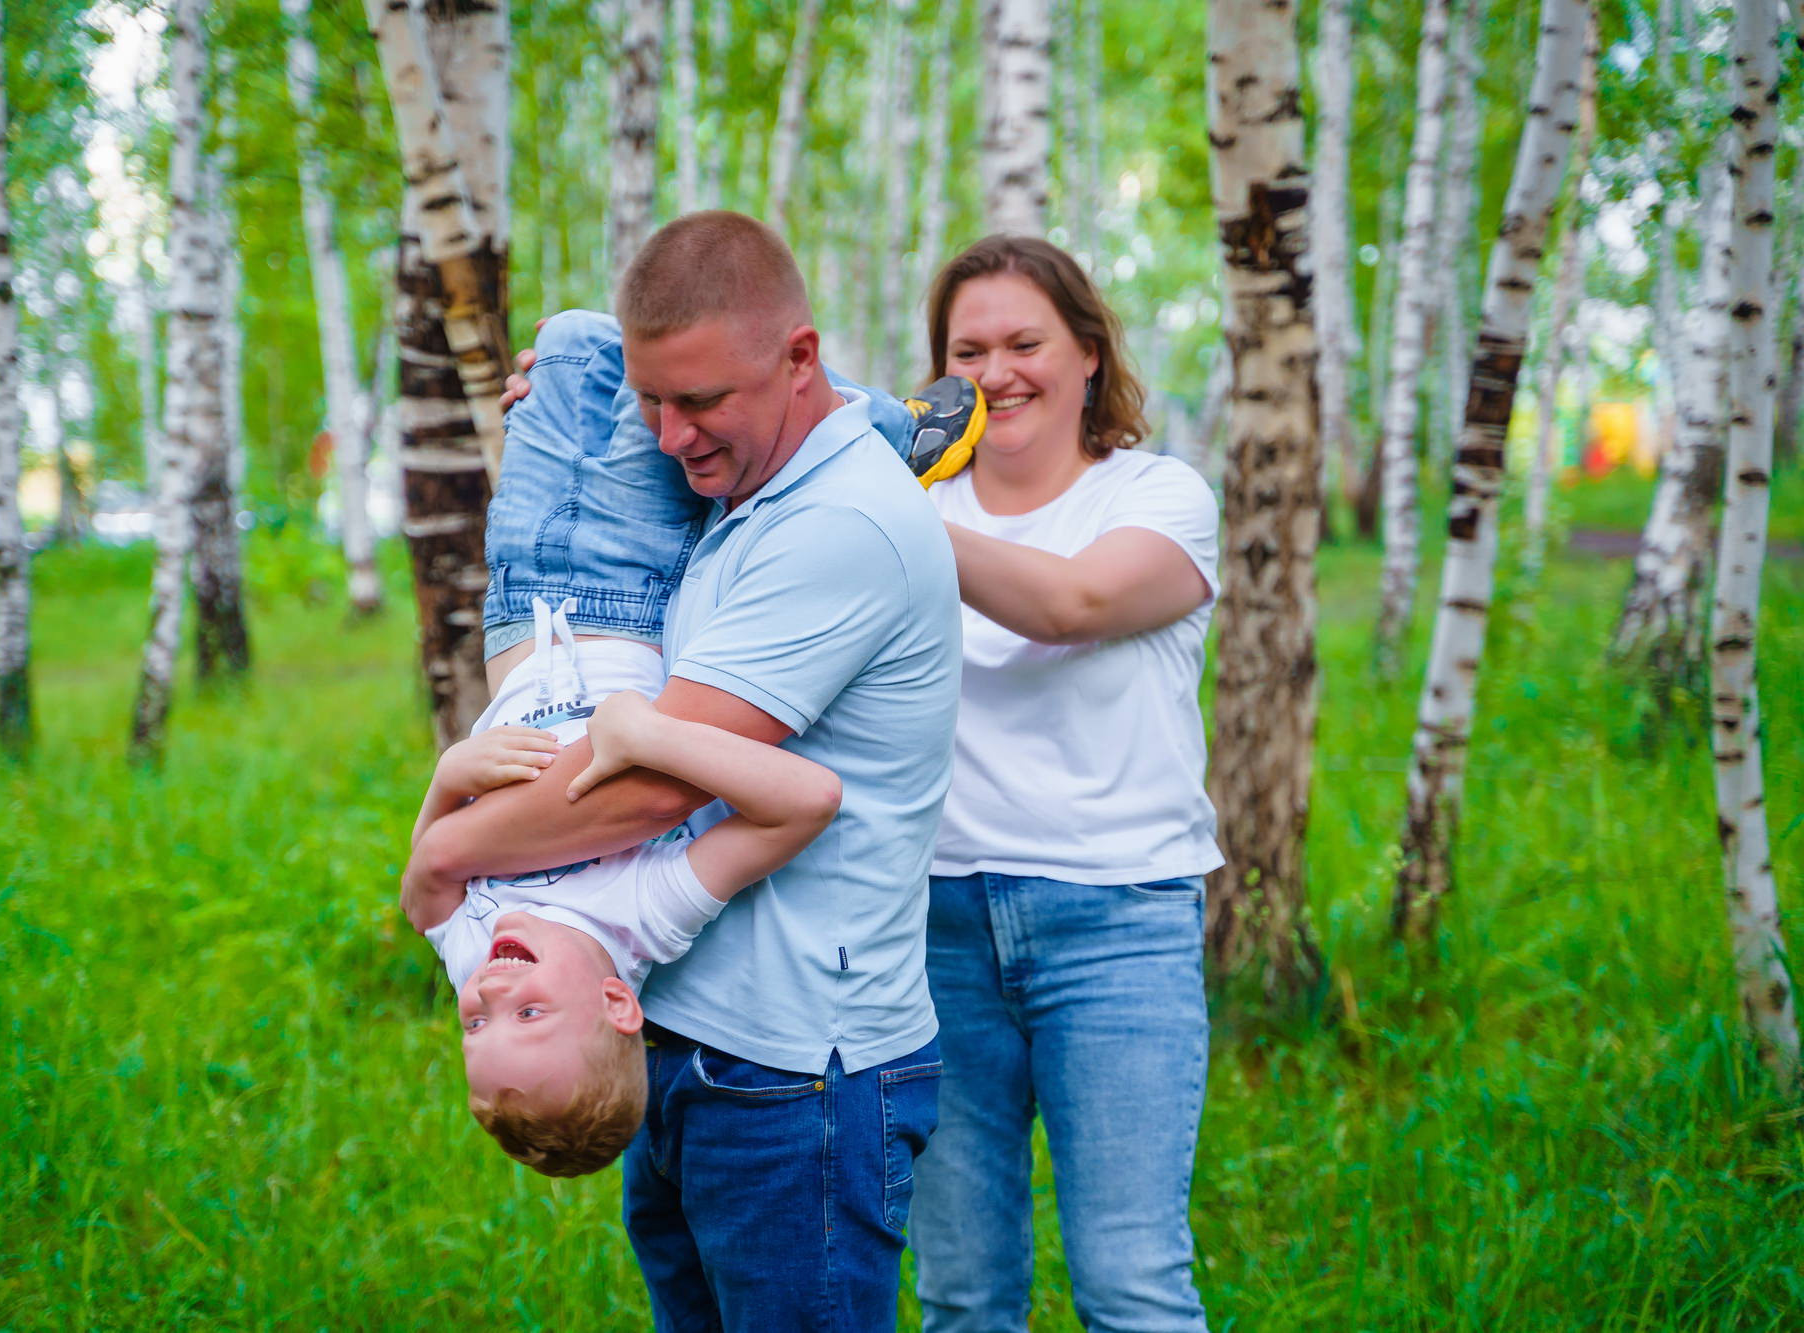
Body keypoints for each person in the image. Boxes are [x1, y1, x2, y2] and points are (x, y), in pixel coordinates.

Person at [403, 211, 962, 1330]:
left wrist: (447, 844)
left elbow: (649, 793)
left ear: (800, 360)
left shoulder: (841, 524)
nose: (667, 437)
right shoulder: (753, 487)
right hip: (682, 1050)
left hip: (792, 1078)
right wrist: (580, 401)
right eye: (653, 401)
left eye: (699, 400)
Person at [907, 235, 1221, 1332]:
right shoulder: (919, 507)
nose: (996, 373)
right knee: (961, 1295)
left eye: (1024, 343)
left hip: (1116, 923)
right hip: (931, 931)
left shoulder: (1159, 497)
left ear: (1088, 352)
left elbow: (1072, 605)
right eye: (968, 352)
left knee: (1131, 1286)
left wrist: (886, 513)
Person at [402, 597, 842, 1179]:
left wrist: (447, 781)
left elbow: (423, 885)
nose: (490, 994)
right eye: (528, 1013)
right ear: (616, 1003)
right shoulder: (643, 915)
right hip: (634, 611)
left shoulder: (475, 960)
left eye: (475, 1025)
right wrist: (647, 737)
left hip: (519, 619)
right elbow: (808, 801)